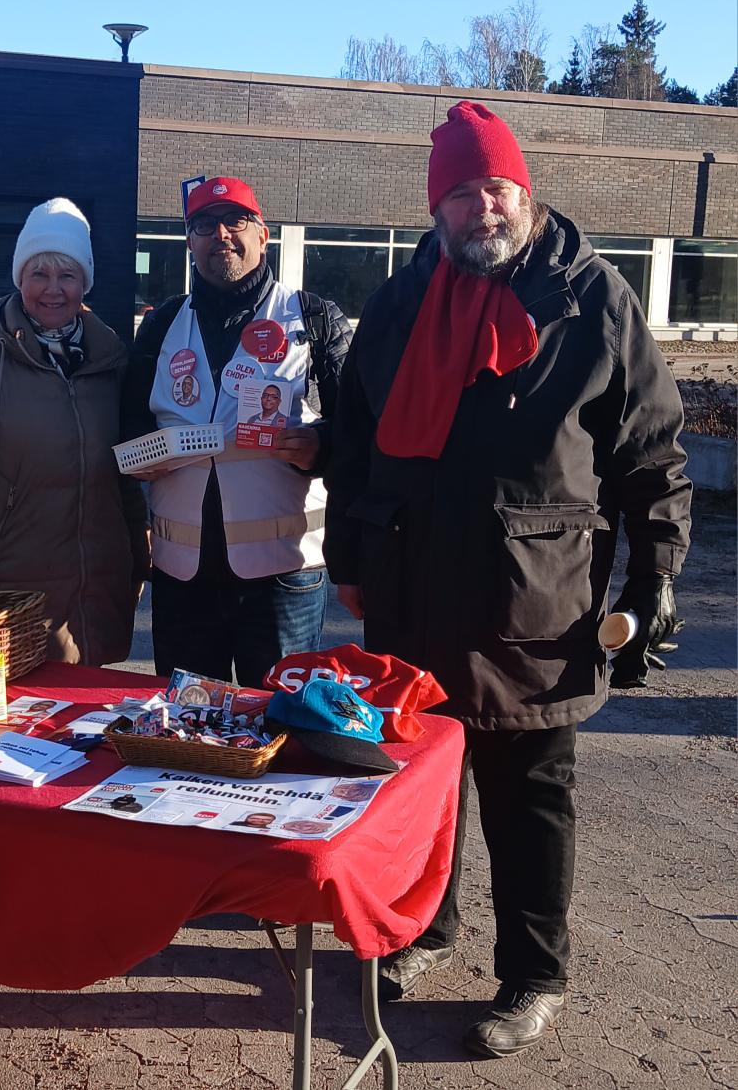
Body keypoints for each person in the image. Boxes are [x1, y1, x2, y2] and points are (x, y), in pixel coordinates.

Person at [324, 102, 691, 1058]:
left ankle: (534, 976)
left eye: (494, 187)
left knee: (529, 794)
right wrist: (352, 557)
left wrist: (654, 578)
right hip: (408, 583)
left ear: (523, 191)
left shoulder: (592, 298)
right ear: (435, 208)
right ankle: (422, 933)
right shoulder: (404, 301)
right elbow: (357, 442)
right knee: (416, 778)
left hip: (537, 595)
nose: (480, 208)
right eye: (458, 192)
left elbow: (651, 458)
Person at [123, 176, 352, 689]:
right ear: (189, 243)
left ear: (263, 234)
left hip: (283, 576)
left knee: (280, 725)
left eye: (235, 221)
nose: (220, 234)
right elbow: (128, 424)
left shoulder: (312, 318)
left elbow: (360, 432)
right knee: (187, 724)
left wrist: (322, 447)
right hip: (184, 575)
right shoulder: (160, 325)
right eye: (204, 225)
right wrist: (141, 456)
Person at [0, 197, 149, 666]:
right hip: (6, 600)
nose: (53, 289)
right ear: (20, 279)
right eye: (39, 274)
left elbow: (126, 472)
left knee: (89, 727)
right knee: (14, 732)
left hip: (98, 595)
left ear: (86, 283)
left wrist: (137, 562)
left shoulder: (111, 359)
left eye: (67, 275)